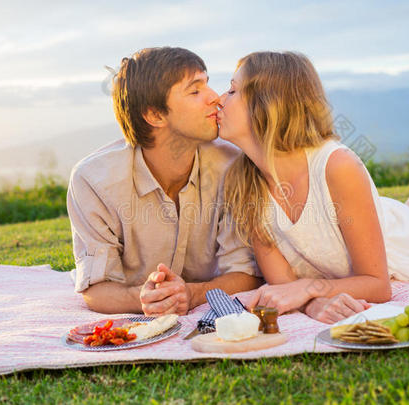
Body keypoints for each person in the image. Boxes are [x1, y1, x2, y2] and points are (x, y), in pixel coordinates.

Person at [217, 51, 409, 323]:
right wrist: (312, 304)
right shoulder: (244, 183)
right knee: (396, 210)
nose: (218, 100)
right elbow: (283, 284)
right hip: (349, 231)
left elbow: (378, 285)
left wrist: (307, 289)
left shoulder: (338, 166)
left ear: (268, 105)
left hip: (393, 240)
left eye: (232, 91)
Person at [66, 47, 262, 315]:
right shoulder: (93, 181)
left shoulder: (233, 165)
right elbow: (96, 289)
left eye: (207, 84)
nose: (215, 97)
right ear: (154, 115)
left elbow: (246, 273)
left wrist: (192, 294)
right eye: (195, 91)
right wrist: (143, 298)